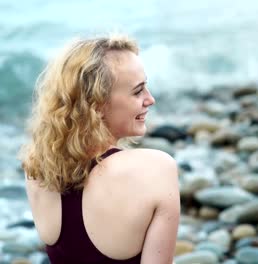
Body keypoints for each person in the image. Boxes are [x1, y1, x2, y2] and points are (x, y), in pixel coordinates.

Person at [20, 34, 180, 264]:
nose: (150, 99)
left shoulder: (37, 168)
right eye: (138, 91)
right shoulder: (156, 169)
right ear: (96, 103)